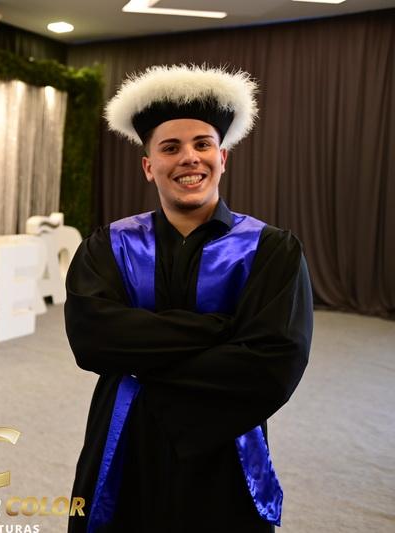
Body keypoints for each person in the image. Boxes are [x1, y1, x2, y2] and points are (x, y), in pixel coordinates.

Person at [64, 64, 313, 533]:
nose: (189, 158)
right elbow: (93, 340)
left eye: (202, 144)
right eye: (170, 147)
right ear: (148, 165)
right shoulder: (110, 245)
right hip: (125, 433)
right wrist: (219, 330)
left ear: (223, 157)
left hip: (227, 441)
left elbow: (275, 362)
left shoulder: (271, 249)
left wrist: (144, 360)